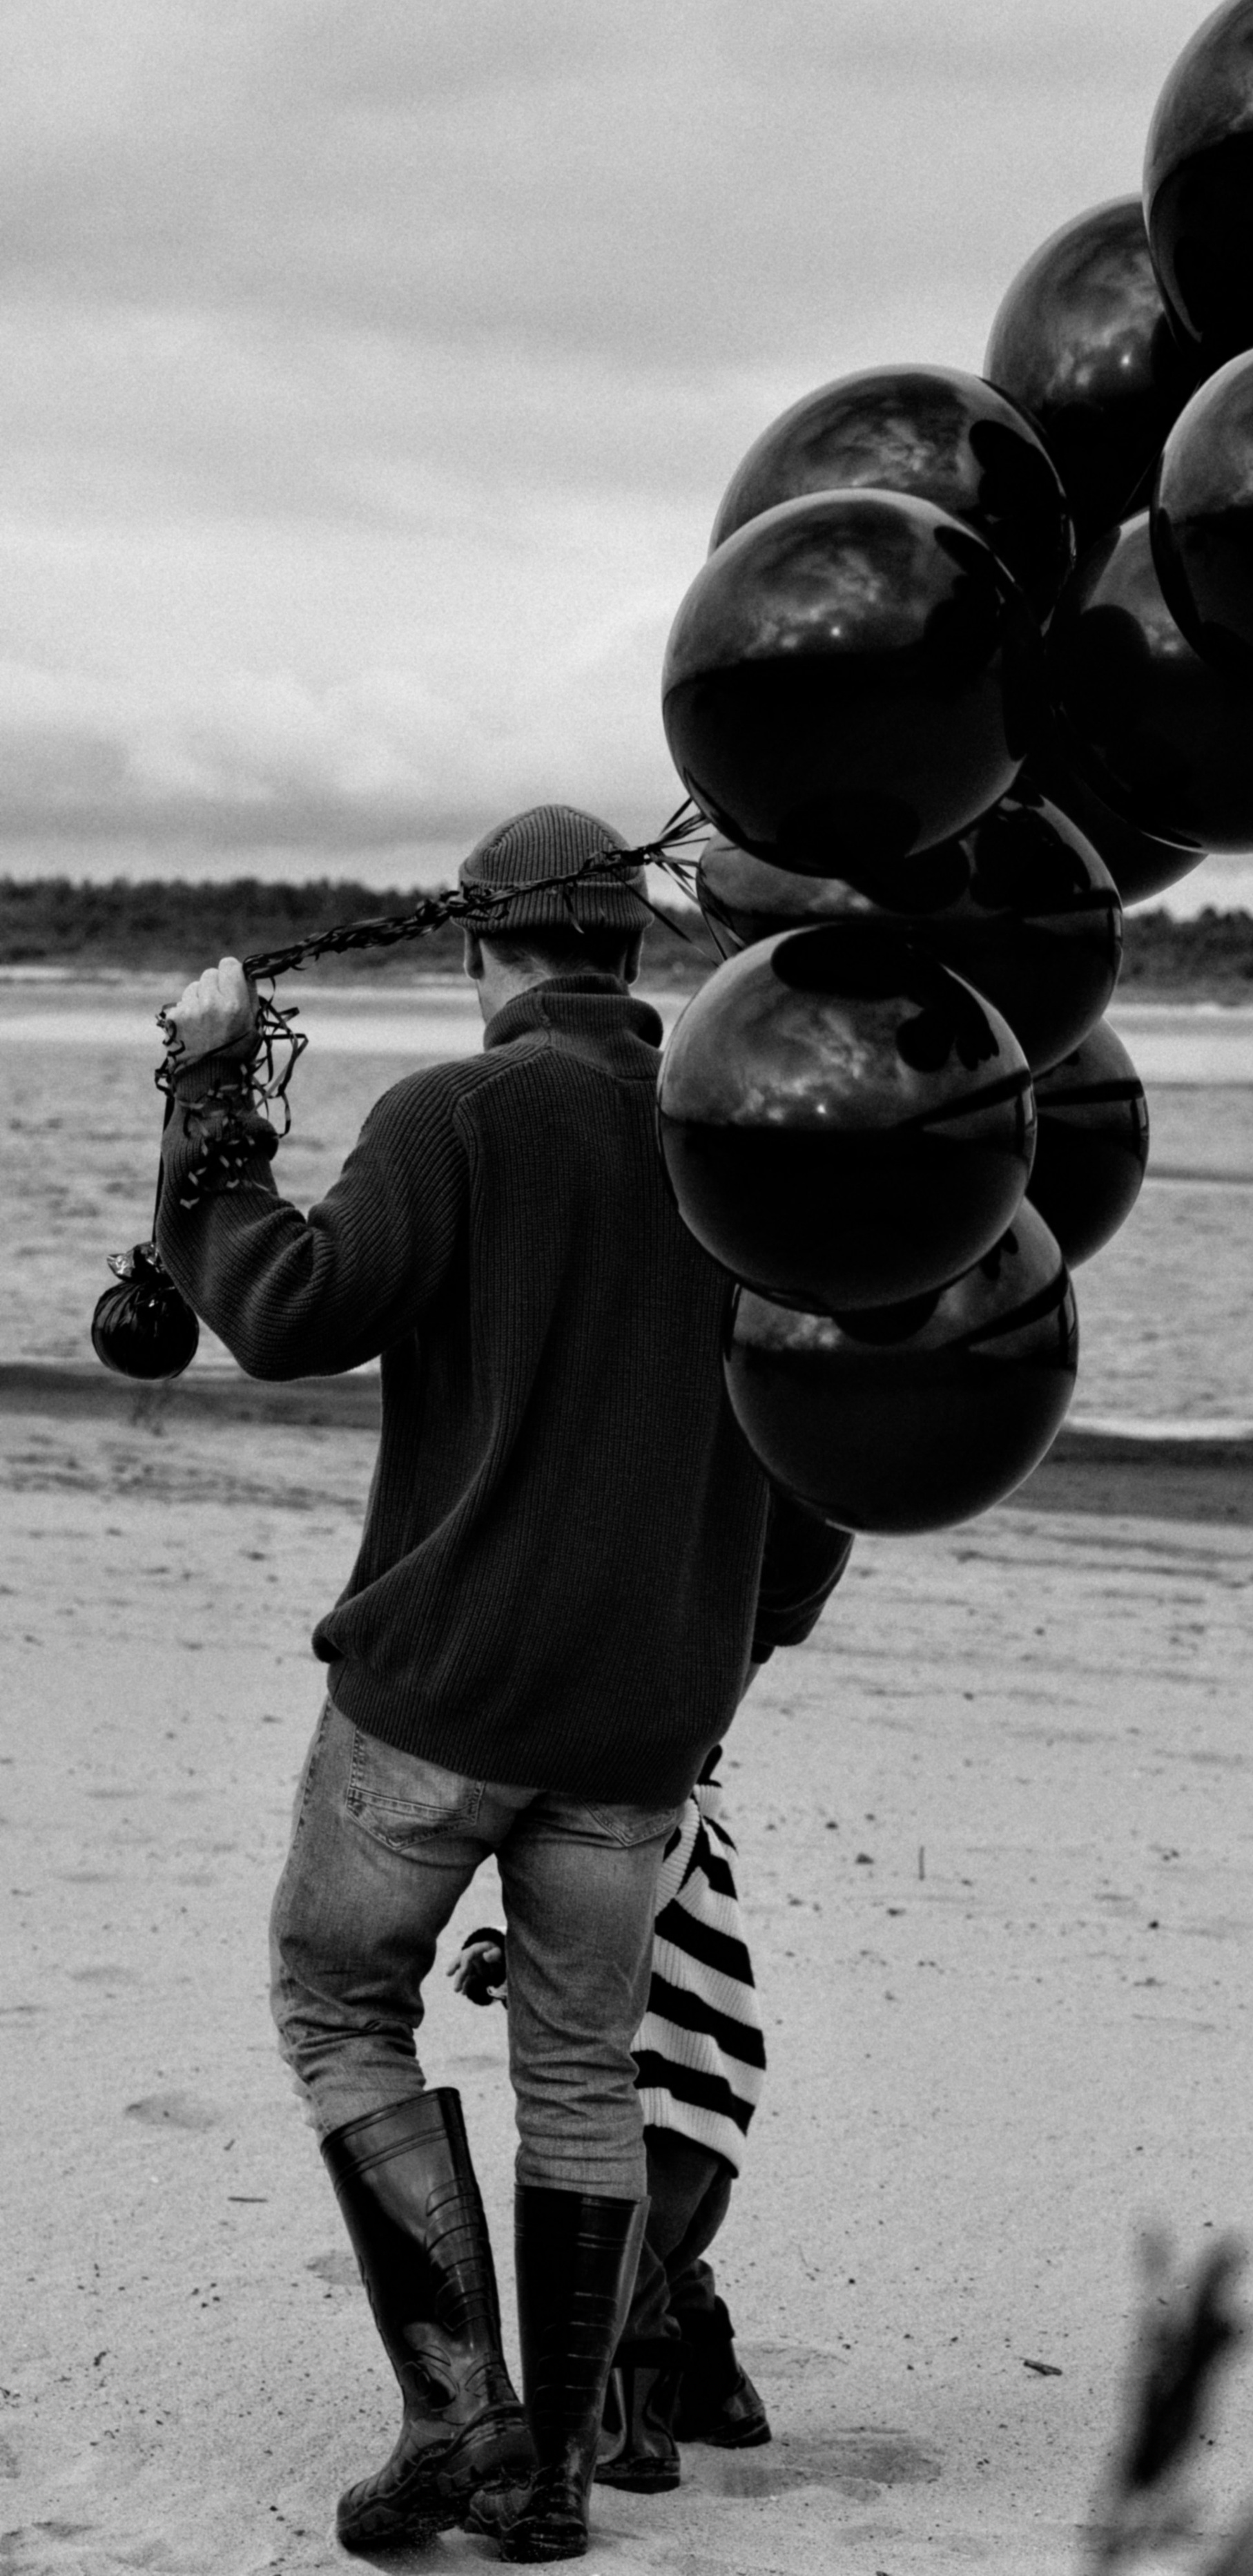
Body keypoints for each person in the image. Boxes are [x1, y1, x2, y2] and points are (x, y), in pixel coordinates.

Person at [153, 805, 846, 2564]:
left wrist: (211, 1098)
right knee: (582, 2070)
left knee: (336, 1999)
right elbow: (819, 1455)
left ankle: (460, 2412)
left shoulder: (458, 1111)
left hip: (443, 1694)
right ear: (633, 947)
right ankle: (547, 2480)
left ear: (481, 947)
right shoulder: (739, 1141)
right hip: (641, 1721)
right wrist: (731, 1646)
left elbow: (286, 1311)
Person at [451, 1742, 775, 2495]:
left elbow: (588, 1934)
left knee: (613, 2261)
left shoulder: (661, 1828)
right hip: (709, 2111)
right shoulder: (706, 1839)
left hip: (662, 2104)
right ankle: (718, 2396)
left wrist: (505, 1953)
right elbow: (628, 1937)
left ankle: (633, 2438)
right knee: (664, 2261)